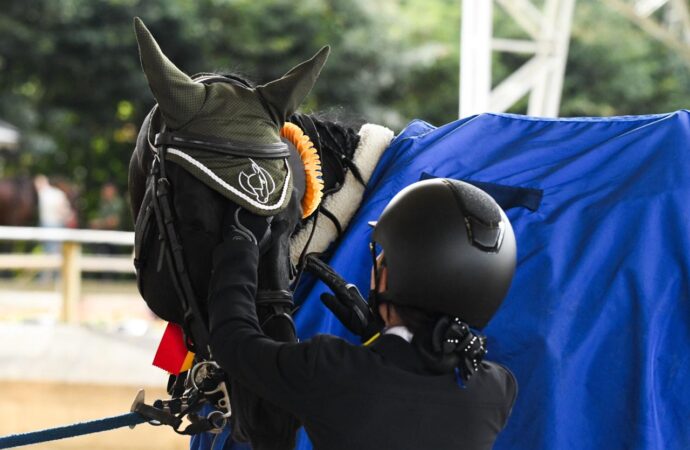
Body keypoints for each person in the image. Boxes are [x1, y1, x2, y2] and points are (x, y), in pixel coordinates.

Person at [207, 178, 518, 450]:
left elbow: (233, 342)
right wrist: (374, 334)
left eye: (381, 257)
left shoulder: (330, 371)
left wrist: (241, 244)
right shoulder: (496, 391)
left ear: (386, 279)